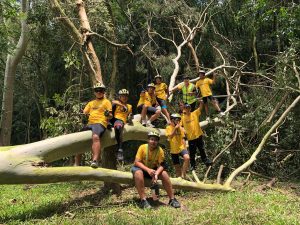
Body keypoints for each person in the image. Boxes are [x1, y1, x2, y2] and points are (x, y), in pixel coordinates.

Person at [131, 131, 181, 209]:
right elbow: (137, 162)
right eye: (152, 139)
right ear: (148, 140)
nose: (153, 142)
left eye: (156, 140)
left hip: (152, 170)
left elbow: (163, 165)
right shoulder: (142, 147)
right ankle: (143, 200)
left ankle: (172, 199)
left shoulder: (160, 150)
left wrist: (156, 173)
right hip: (140, 168)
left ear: (158, 142)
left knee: (164, 173)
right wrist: (148, 170)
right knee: (138, 173)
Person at [75, 82, 112, 168]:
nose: (99, 92)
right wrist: (80, 113)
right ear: (94, 92)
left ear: (104, 92)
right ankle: (77, 163)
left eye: (101, 90)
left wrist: (107, 115)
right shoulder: (91, 103)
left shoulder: (107, 102)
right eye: (97, 90)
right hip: (90, 123)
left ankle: (95, 160)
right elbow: (84, 113)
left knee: (95, 137)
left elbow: (110, 116)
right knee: (77, 138)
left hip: (100, 123)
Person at [181, 100, 212, 171]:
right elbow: (180, 126)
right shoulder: (182, 117)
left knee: (202, 149)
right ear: (184, 109)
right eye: (186, 108)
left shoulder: (194, 113)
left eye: (188, 108)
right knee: (192, 153)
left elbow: (200, 108)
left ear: (190, 108)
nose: (187, 109)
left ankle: (206, 161)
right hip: (191, 138)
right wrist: (183, 130)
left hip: (199, 135)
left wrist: (201, 102)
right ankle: (193, 166)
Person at [166, 113, 190, 179]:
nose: (178, 122)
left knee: (187, 158)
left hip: (181, 147)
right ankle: (180, 182)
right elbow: (170, 137)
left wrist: (185, 147)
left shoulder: (181, 128)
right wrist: (175, 129)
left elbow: (183, 138)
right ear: (172, 120)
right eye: (177, 120)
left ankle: (183, 174)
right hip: (173, 150)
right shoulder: (168, 128)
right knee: (177, 169)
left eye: (179, 120)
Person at [111, 89, 133, 162]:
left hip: (120, 120)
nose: (124, 98)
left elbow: (130, 115)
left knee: (118, 127)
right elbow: (112, 102)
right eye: (123, 96)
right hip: (111, 118)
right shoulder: (116, 103)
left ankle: (120, 150)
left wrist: (130, 117)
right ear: (119, 97)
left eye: (126, 96)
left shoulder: (129, 106)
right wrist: (122, 105)